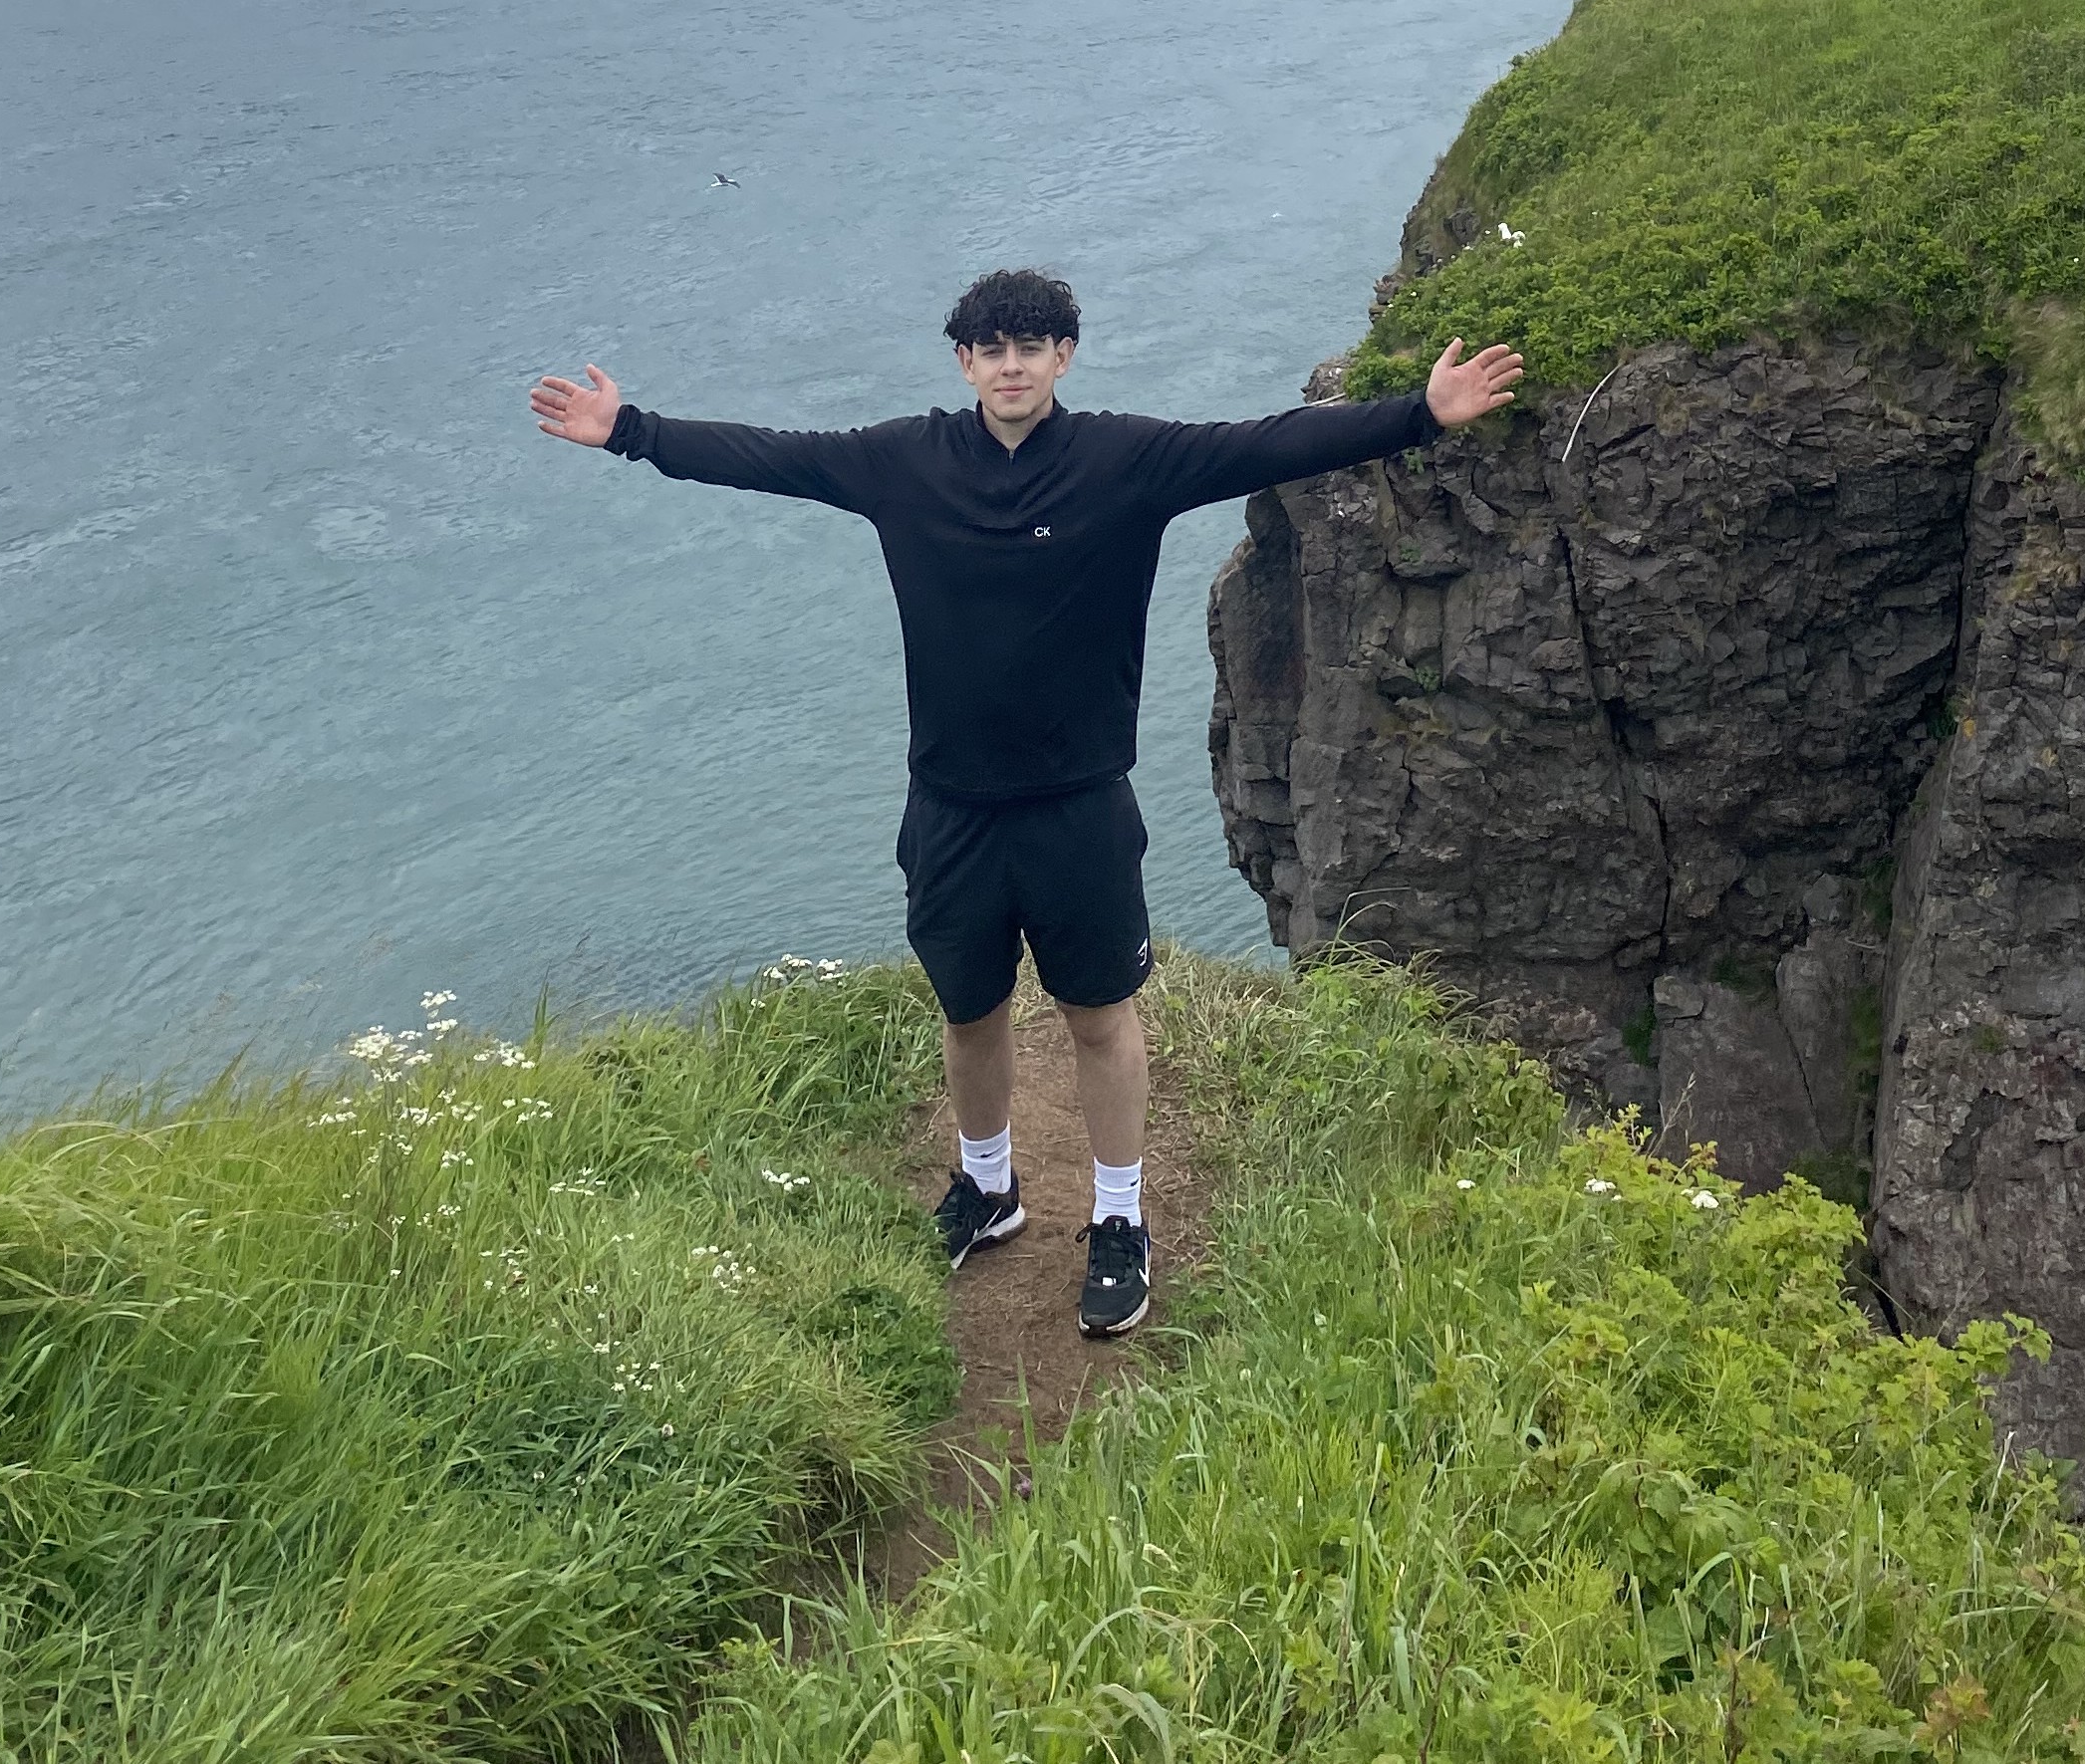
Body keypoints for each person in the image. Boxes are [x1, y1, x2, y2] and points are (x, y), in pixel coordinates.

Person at [529, 268, 1523, 1336]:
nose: (1012, 365)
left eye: (1032, 346)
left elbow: (1266, 443)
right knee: (969, 1011)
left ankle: (1119, 1215)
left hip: (1078, 804)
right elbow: (770, 455)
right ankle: (989, 1185)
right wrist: (628, 429)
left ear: (1064, 356)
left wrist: (1420, 414)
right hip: (950, 804)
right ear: (964, 362)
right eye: (992, 348)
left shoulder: (1124, 460)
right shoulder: (903, 462)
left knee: (1099, 1016)